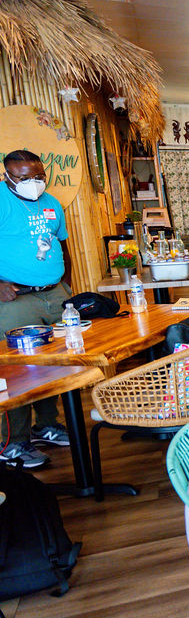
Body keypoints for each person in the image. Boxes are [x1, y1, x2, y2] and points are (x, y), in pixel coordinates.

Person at [0, 150, 75, 468]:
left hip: (54, 294)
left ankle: (47, 424)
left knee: (55, 365)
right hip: (16, 300)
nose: (33, 182)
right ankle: (14, 443)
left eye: (38, 175)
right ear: (7, 176)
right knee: (15, 371)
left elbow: (63, 245)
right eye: (24, 177)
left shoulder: (52, 203)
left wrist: (67, 287)